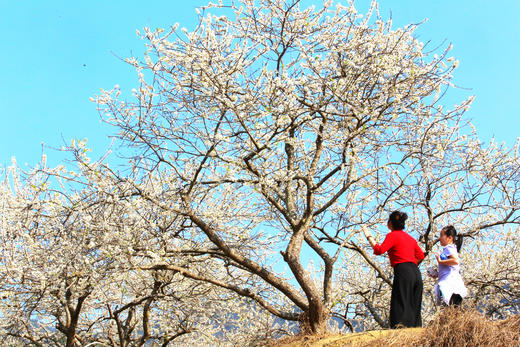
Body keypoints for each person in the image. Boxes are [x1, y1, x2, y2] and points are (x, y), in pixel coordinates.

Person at [362, 211, 425, 328]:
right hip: (415, 272)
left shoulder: (392, 235)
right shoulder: (410, 238)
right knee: (414, 303)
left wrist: (368, 236)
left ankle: (400, 329)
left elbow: (379, 250)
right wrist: (410, 260)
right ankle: (416, 329)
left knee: (400, 301)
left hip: (403, 270)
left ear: (390, 223)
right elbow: (421, 255)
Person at [428, 225, 468, 307]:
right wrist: (436, 274)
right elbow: (449, 268)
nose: (440, 238)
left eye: (442, 235)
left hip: (449, 284)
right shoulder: (448, 249)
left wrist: (440, 261)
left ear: (449, 238)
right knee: (451, 308)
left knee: (447, 307)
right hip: (449, 281)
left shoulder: (449, 248)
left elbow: (455, 261)